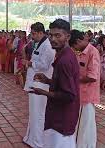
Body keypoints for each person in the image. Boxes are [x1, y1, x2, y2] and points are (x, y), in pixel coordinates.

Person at [30, 19, 80, 148]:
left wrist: (44, 92)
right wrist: (47, 80)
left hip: (61, 119)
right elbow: (64, 84)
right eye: (51, 35)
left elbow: (69, 95)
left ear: (67, 37)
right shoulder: (65, 54)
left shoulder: (65, 60)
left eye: (58, 35)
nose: (53, 39)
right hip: (61, 117)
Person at [23, 22, 55, 148]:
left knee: (39, 113)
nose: (32, 35)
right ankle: (31, 138)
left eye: (34, 33)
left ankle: (38, 142)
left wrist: (30, 64)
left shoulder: (47, 46)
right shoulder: (39, 44)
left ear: (41, 33)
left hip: (41, 84)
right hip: (34, 82)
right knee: (33, 113)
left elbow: (45, 65)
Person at [69, 30, 100, 148]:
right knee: (79, 124)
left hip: (87, 95)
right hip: (77, 93)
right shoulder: (79, 51)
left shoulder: (93, 52)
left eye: (74, 46)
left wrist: (73, 80)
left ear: (78, 41)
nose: (75, 49)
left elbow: (92, 77)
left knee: (86, 124)